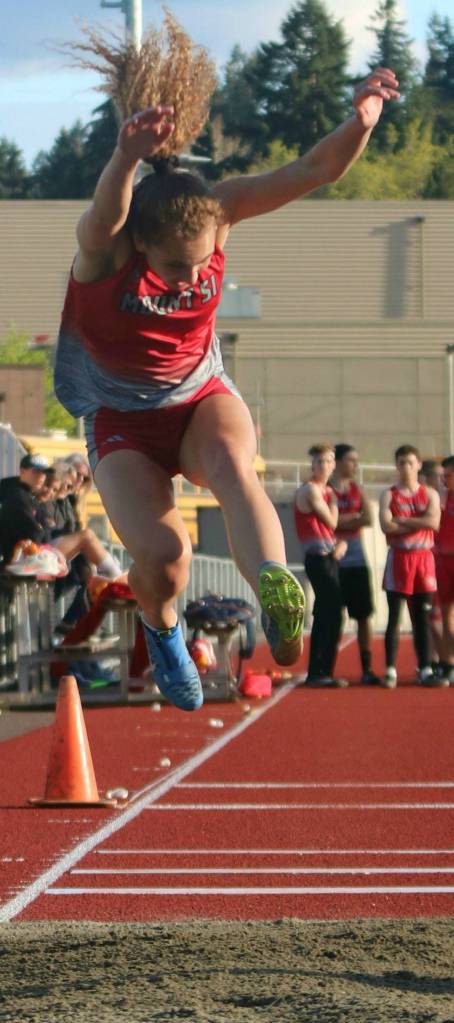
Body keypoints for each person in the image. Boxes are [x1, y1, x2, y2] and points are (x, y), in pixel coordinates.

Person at [54, 19, 398, 711]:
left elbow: (311, 169)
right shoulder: (107, 250)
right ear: (142, 246)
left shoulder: (221, 208)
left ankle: (278, 586)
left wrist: (362, 118)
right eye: (175, 269)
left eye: (200, 264)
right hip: (122, 416)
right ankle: (164, 629)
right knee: (164, 558)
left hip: (197, 395)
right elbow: (101, 213)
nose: (189, 280)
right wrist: (124, 157)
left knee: (236, 467)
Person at [379, 444, 446, 688]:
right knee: (394, 617)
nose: (406, 467)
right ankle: (390, 669)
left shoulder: (429, 494)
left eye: (410, 462)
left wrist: (403, 521)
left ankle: (425, 668)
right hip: (398, 558)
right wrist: (418, 524)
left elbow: (434, 522)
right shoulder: (389, 494)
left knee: (422, 617)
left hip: (423, 560)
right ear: (396, 465)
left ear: (418, 465)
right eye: (401, 463)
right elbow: (386, 526)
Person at [294, 444, 348, 687]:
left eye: (328, 461)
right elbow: (332, 521)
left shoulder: (325, 491)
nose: (324, 466)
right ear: (312, 465)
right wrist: (335, 500)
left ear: (333, 464)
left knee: (331, 613)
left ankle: (324, 669)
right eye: (319, 462)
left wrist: (339, 545)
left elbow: (329, 531)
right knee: (330, 613)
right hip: (317, 559)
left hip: (328, 557)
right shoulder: (312, 491)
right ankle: (318, 671)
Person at [330, 444, 381, 684]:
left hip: (358, 560)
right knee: (334, 616)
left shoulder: (356, 490)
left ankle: (367, 668)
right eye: (351, 460)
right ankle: (327, 668)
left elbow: (368, 518)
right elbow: (328, 523)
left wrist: (341, 520)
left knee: (363, 616)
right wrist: (351, 519)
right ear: (338, 462)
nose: (355, 465)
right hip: (335, 561)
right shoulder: (327, 490)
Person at [0, 453, 50, 565]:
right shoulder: (16, 496)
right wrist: (41, 528)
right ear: (22, 471)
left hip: (28, 557)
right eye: (36, 471)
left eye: (44, 472)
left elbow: (45, 528)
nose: (42, 476)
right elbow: (35, 532)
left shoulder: (30, 497)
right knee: (86, 536)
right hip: (16, 562)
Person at [434, 455, 454, 684]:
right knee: (446, 613)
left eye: (448, 476)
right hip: (444, 562)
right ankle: (449, 661)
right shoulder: (442, 498)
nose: (444, 480)